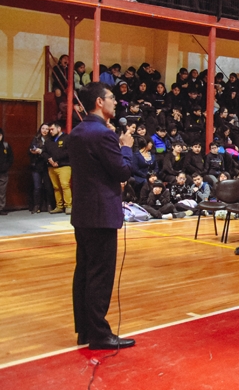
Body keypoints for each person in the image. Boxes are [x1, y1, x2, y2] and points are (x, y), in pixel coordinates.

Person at [69, 82, 136, 350]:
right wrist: (126, 147)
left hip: (83, 212)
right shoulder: (104, 135)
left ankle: (85, 330)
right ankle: (99, 334)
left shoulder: (77, 132)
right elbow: (122, 171)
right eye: (111, 98)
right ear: (99, 101)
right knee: (100, 274)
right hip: (102, 213)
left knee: (84, 272)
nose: (115, 102)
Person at [44, 122, 72, 214]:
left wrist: (56, 159)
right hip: (51, 166)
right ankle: (59, 206)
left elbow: (68, 152)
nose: (50, 131)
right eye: (49, 130)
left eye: (52, 129)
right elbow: (44, 152)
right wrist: (50, 160)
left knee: (65, 185)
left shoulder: (67, 138)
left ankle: (68, 206)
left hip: (64, 165)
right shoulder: (48, 140)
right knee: (56, 187)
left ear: (59, 128)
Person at [0, 128, 12, 215]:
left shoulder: (5, 146)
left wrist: (6, 166)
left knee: (2, 192)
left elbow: (11, 158)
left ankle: (1, 208)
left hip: (3, 172)